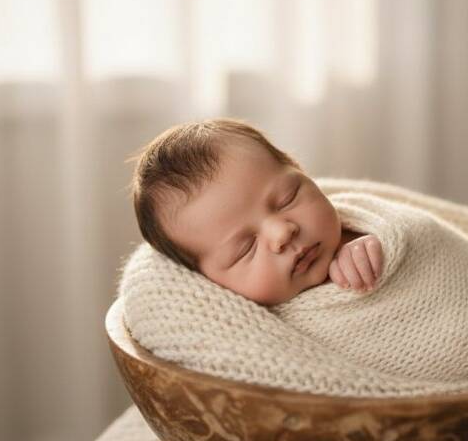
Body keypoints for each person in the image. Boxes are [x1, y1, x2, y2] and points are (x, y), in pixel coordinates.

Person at [129, 118, 383, 306]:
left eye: (287, 199)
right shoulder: (242, 328)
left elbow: (409, 233)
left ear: (302, 172)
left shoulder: (362, 229)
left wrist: (367, 245)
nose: (282, 232)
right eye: (246, 248)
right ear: (210, 282)